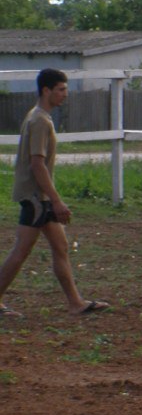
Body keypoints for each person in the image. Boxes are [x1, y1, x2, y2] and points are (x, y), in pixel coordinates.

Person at [0, 68, 107, 318]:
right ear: (46, 90)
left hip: (40, 198)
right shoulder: (39, 121)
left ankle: (75, 303)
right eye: (61, 89)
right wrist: (56, 201)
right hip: (37, 199)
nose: (65, 95)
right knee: (21, 251)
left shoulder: (39, 117)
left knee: (61, 247)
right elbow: (37, 164)